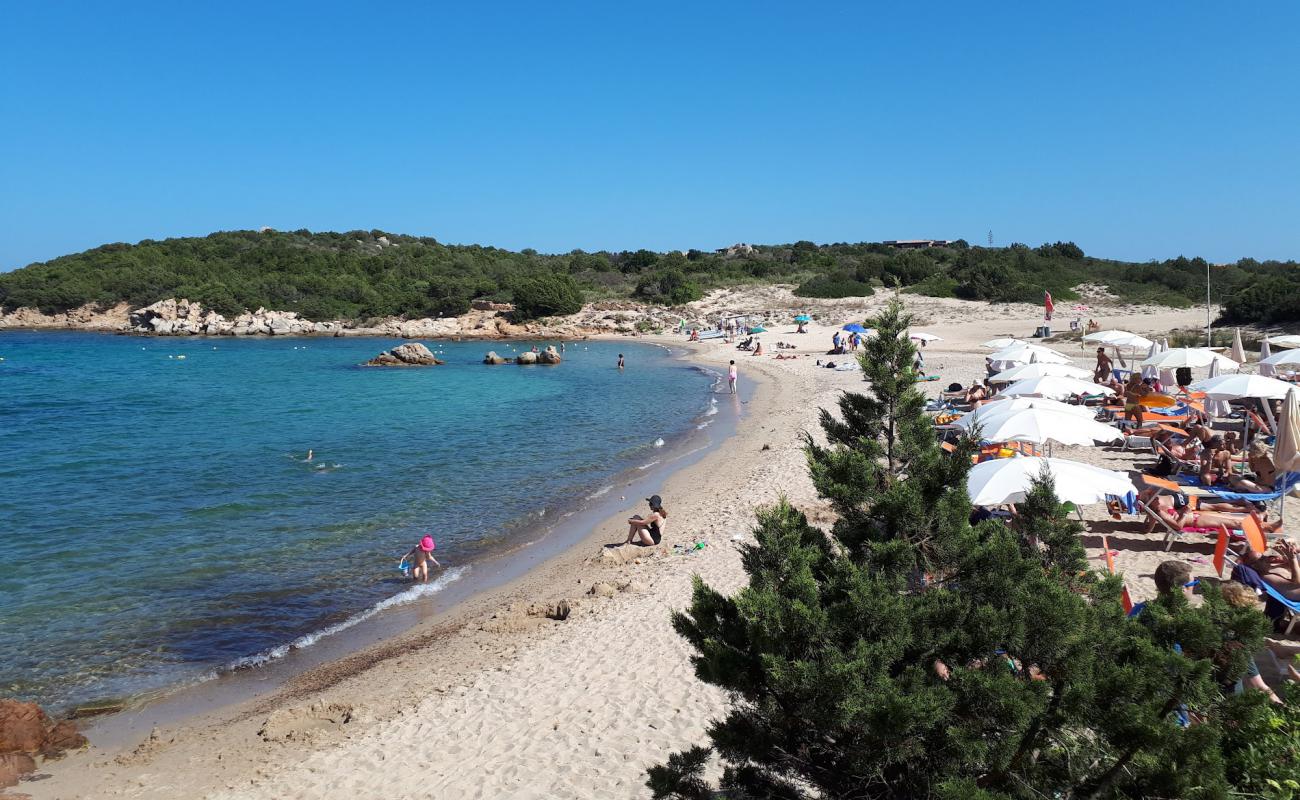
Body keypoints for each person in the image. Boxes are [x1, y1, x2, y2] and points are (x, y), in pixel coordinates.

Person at [1219, 581, 1284, 704]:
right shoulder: (1236, 641)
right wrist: (1282, 706)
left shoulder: (1207, 630)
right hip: (1227, 701)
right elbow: (1258, 684)